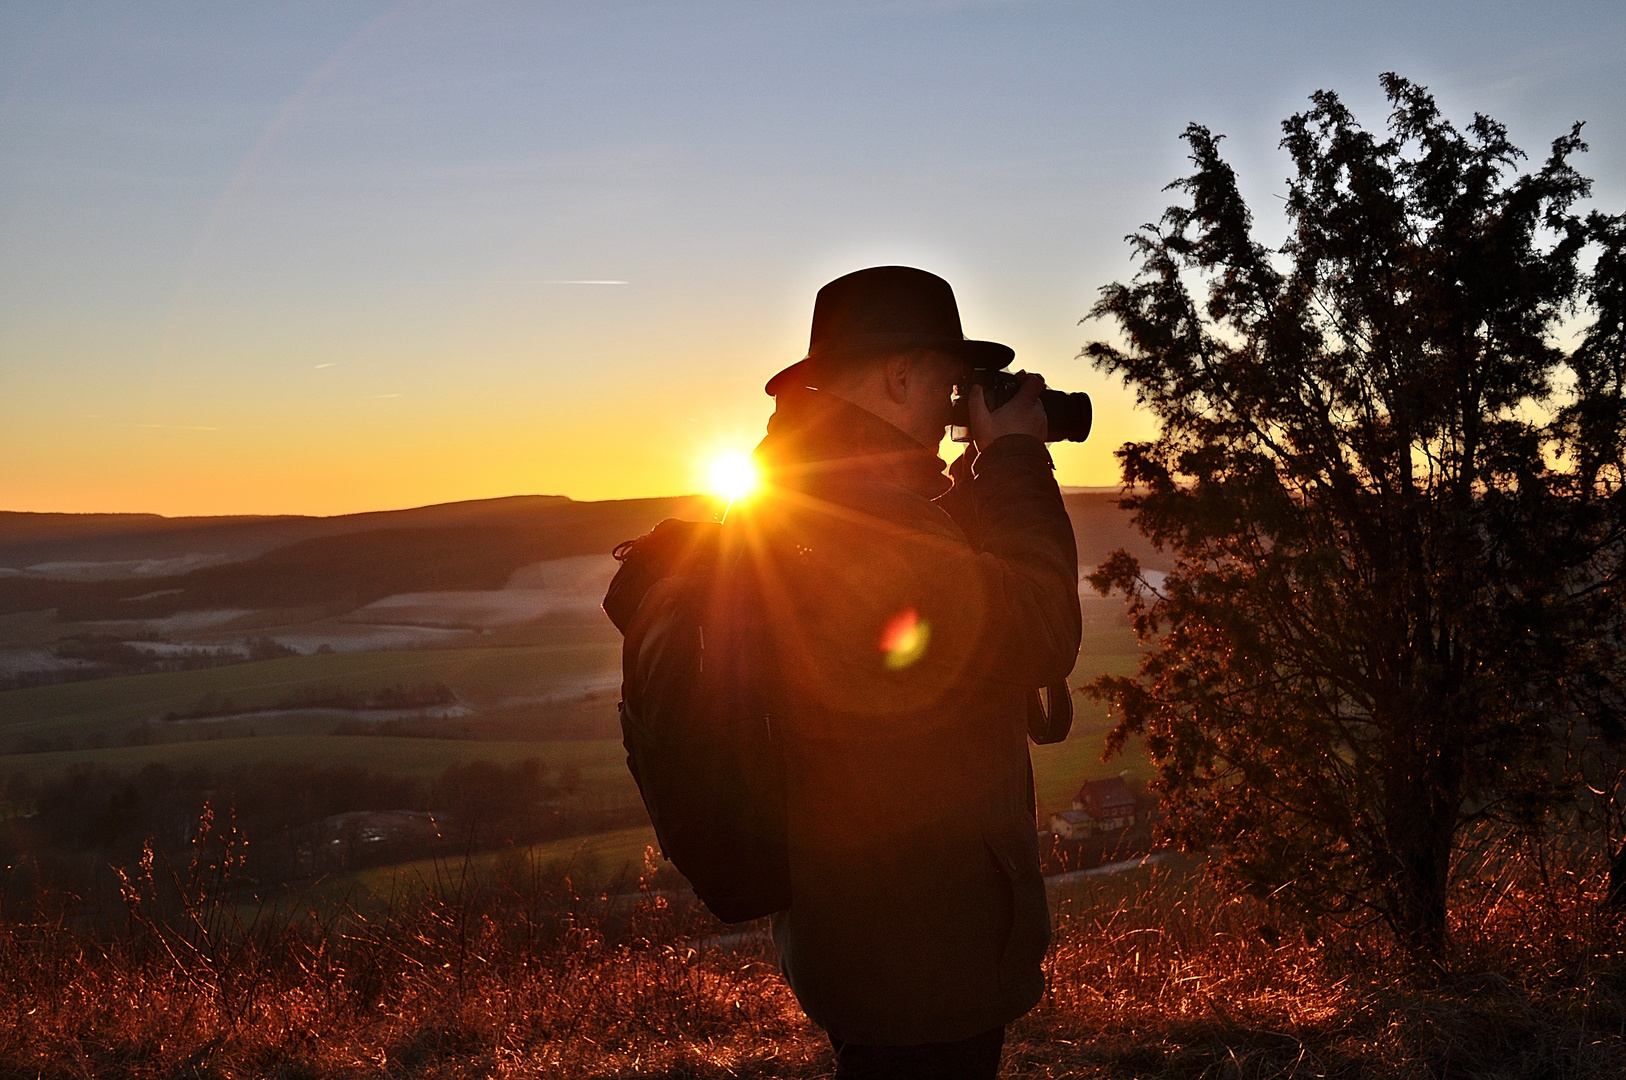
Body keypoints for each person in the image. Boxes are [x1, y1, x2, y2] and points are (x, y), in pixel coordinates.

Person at [725, 266, 1082, 1079]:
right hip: (924, 944)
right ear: (899, 373)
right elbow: (1040, 628)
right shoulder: (862, 524)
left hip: (867, 926)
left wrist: (967, 480)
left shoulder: (808, 496)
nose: (956, 405)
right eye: (950, 382)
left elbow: (938, 611)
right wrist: (1019, 461)